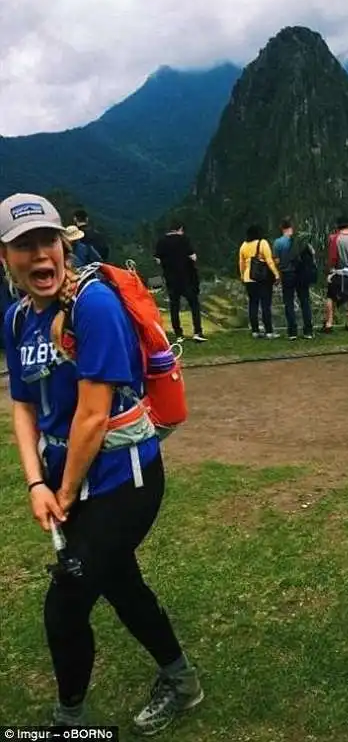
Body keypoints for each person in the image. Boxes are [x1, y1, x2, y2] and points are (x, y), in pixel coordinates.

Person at [0, 193, 203, 735]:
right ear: (5, 258)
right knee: (118, 582)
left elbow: (91, 416)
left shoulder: (95, 306)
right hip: (71, 482)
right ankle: (182, 682)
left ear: (64, 246)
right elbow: (23, 404)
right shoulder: (18, 318)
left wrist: (60, 496)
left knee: (65, 602)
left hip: (123, 479)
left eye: (48, 241)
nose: (40, 255)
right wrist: (34, 482)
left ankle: (68, 721)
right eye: (24, 246)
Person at [154, 220, 207, 343]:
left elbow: (157, 260)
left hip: (171, 279)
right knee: (194, 305)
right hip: (187, 278)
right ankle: (197, 332)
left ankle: (179, 335)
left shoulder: (161, 241)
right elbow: (193, 257)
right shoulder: (184, 240)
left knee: (174, 306)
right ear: (180, 229)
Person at [272, 218, 315, 340]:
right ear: (292, 227)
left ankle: (292, 332)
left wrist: (280, 270)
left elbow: (276, 260)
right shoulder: (301, 240)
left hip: (287, 274)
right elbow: (313, 253)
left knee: (289, 303)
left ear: (282, 228)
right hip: (301, 274)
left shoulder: (278, 243)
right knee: (305, 302)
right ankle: (308, 331)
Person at [239, 224, 280, 338]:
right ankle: (269, 331)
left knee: (253, 304)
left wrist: (242, 276)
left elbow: (241, 263)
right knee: (265, 304)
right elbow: (269, 261)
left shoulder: (243, 245)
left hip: (248, 278)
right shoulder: (262, 243)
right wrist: (276, 274)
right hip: (262, 278)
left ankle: (255, 331)